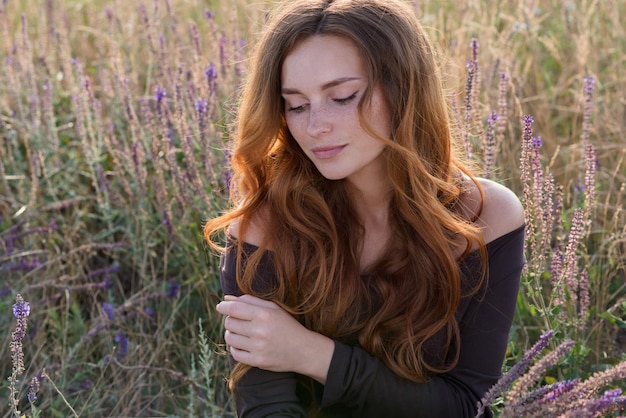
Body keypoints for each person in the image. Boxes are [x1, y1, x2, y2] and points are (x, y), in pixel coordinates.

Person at [205, 0, 525, 416]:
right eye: (296, 105)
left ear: (403, 89)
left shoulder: (485, 217)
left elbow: (465, 406)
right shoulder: (264, 223)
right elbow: (267, 407)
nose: (315, 125)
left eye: (342, 97)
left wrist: (313, 355)